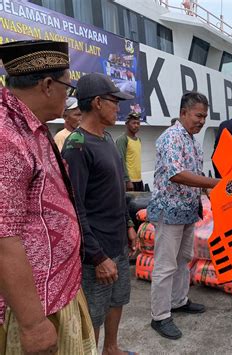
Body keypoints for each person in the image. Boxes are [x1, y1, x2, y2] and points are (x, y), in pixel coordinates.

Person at [0, 40, 95, 354]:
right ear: (47, 85)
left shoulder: (30, 126)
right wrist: (33, 325)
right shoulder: (6, 138)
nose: (69, 96)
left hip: (55, 291)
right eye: (67, 86)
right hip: (33, 305)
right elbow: (3, 238)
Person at [62, 73, 138, 354]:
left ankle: (112, 348)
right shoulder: (77, 146)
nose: (118, 107)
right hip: (97, 252)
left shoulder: (106, 138)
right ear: (96, 102)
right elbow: (74, 207)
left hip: (117, 241)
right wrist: (97, 256)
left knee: (117, 300)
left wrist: (129, 224)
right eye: (114, 101)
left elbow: (117, 190)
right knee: (93, 311)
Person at [147, 92, 219, 340]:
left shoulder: (191, 140)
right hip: (169, 211)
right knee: (165, 265)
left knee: (183, 259)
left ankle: (179, 301)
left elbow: (196, 177)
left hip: (188, 211)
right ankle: (160, 316)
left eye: (205, 117)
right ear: (184, 112)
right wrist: (217, 183)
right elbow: (177, 174)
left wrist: (213, 194)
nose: (202, 121)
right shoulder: (171, 138)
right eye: (198, 115)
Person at [116, 112, 144, 191]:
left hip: (138, 180)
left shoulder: (139, 140)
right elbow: (120, 161)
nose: (136, 125)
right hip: (128, 182)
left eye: (138, 123)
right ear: (127, 124)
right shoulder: (122, 139)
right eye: (133, 123)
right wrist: (127, 180)